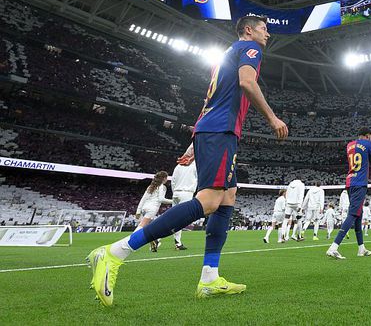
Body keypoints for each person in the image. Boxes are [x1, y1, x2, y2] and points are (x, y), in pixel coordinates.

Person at [86, 15, 288, 306]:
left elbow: (210, 102)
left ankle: (209, 278)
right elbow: (247, 82)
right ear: (248, 30)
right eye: (264, 29)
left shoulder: (226, 56)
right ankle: (116, 252)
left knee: (228, 197)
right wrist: (272, 117)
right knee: (208, 201)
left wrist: (193, 144)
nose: (267, 34)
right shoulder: (249, 50)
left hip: (213, 130)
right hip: (221, 131)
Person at [326, 128, 371, 260]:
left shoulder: (349, 145)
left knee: (359, 215)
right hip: (360, 183)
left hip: (350, 182)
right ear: (367, 136)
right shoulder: (368, 144)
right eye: (370, 137)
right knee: (353, 214)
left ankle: (361, 248)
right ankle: (334, 247)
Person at [134, 171, 172, 252]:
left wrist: (138, 210)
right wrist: (173, 201)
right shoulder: (162, 187)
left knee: (150, 227)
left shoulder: (151, 186)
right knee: (142, 226)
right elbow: (161, 199)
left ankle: (154, 241)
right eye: (166, 178)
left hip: (144, 208)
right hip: (152, 209)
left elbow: (143, 198)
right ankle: (129, 242)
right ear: (164, 178)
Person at [170, 159, 197, 250]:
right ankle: (158, 238)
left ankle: (178, 243)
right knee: (182, 220)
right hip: (187, 193)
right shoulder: (195, 166)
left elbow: (173, 181)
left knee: (174, 219)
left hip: (176, 193)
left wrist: (175, 191)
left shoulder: (178, 166)